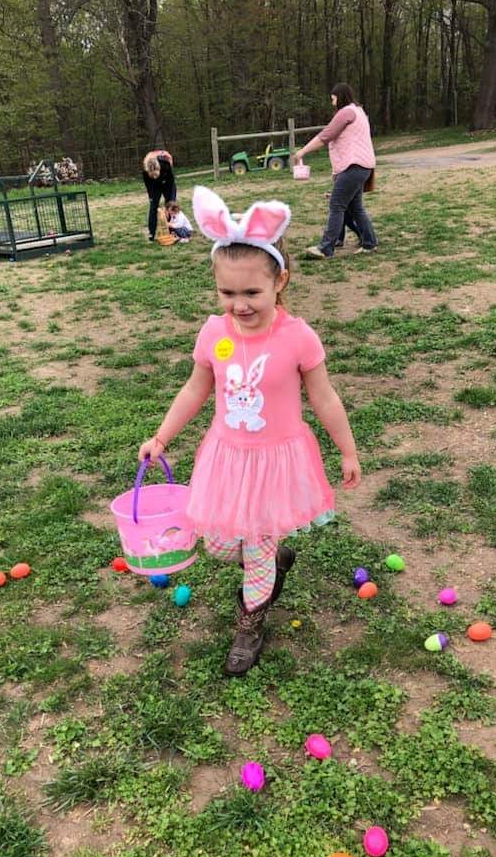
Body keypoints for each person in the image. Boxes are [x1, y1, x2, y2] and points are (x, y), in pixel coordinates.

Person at [138, 187, 362, 677]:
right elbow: (195, 389)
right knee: (219, 543)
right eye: (227, 293)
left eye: (251, 293)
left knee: (255, 546)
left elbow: (324, 398)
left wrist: (347, 451)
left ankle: (250, 623)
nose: (239, 305)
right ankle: (271, 558)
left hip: (275, 461)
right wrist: (161, 437)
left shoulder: (298, 337)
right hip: (227, 457)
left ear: (279, 280)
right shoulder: (214, 333)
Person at [294, 83, 378, 258]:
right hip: (363, 166)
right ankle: (370, 243)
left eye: (333, 98)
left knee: (337, 205)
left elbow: (325, 136)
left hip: (353, 166)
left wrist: (302, 152)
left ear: (340, 96)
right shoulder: (359, 111)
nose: (332, 102)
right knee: (355, 208)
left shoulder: (346, 112)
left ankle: (326, 248)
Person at [142, 150, 176, 241]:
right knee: (153, 206)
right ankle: (151, 233)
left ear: (158, 168)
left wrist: (169, 201)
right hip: (154, 186)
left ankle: (172, 230)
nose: (154, 177)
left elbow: (171, 181)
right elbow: (149, 187)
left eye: (155, 175)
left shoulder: (165, 164)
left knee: (171, 204)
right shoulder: (145, 172)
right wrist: (152, 198)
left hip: (167, 182)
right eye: (152, 175)